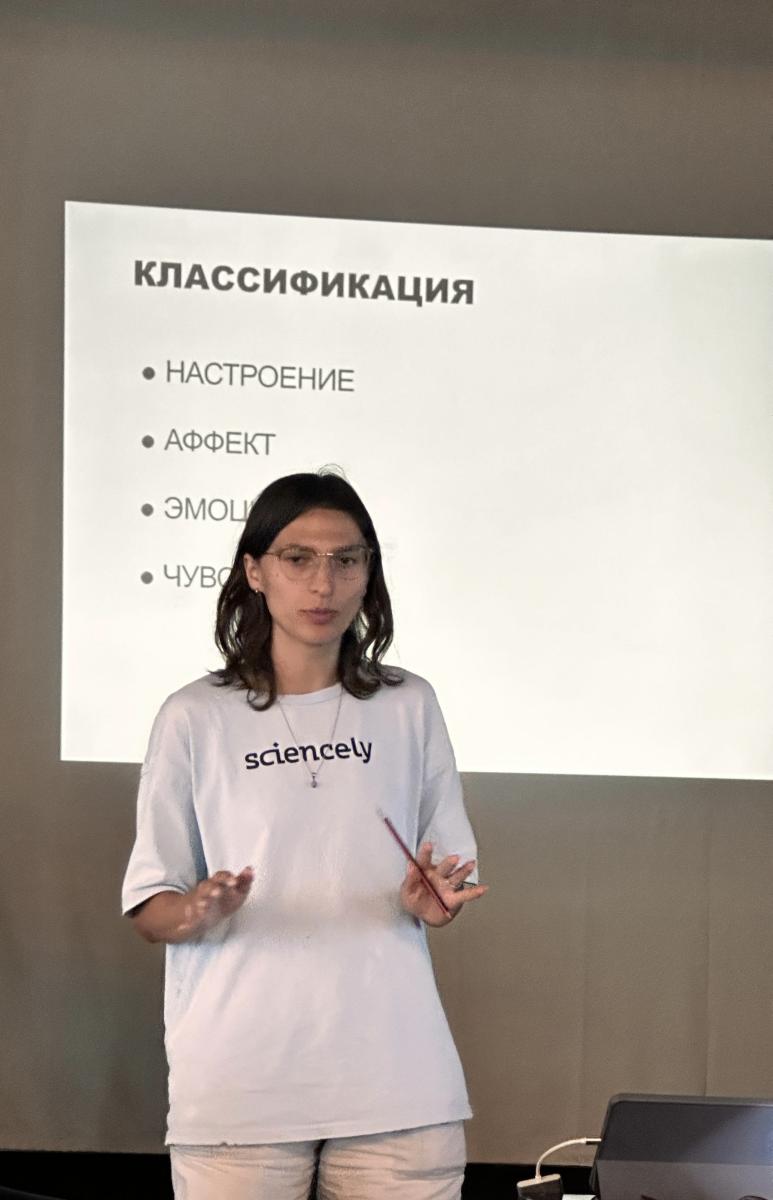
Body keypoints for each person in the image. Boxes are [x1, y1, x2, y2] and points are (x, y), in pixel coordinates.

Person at [122, 470, 488, 1200]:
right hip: (239, 1087)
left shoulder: (408, 704)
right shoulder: (194, 716)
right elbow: (150, 906)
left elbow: (446, 874)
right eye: (298, 559)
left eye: (346, 559)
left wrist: (433, 900)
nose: (324, 583)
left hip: (398, 1081)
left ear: (368, 573)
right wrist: (195, 909)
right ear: (254, 571)